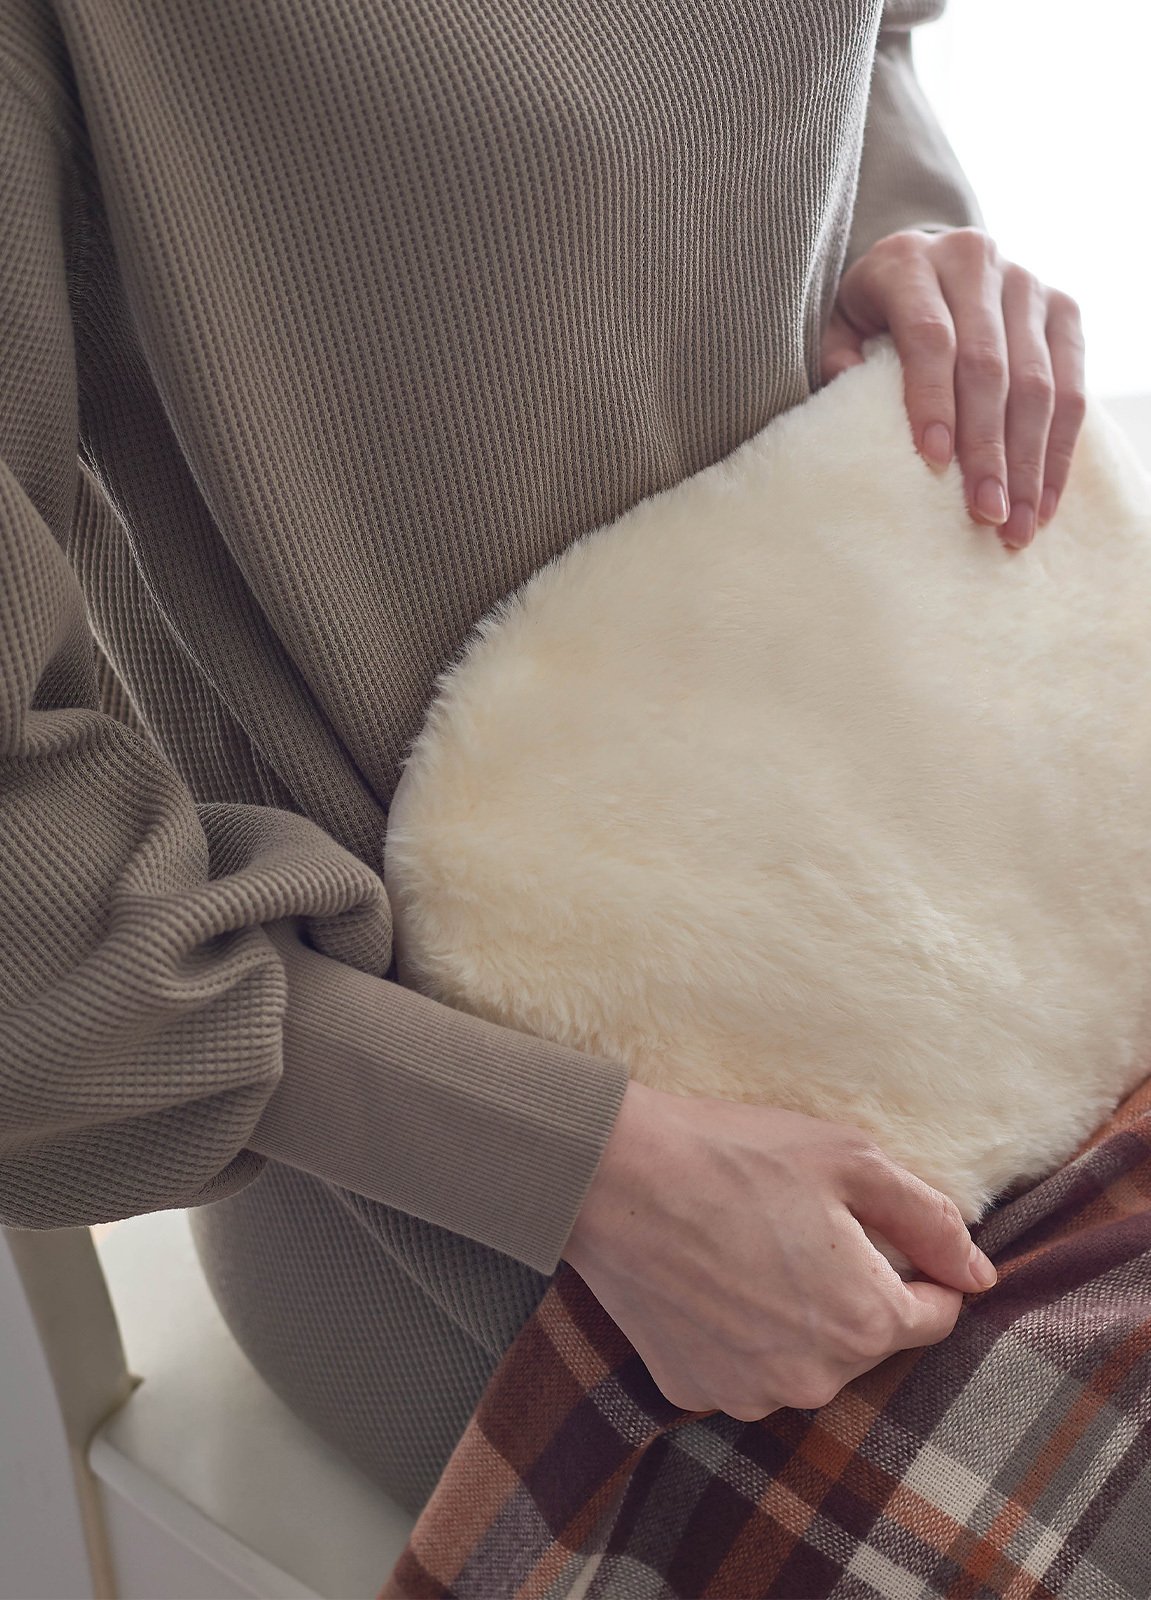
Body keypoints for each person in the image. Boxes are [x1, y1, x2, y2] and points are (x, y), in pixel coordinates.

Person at [0, 0, 1084, 1513]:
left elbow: (864, 46)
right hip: (539, 1206)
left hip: (973, 860)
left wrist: (913, 244)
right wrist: (584, 1173)